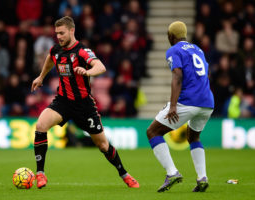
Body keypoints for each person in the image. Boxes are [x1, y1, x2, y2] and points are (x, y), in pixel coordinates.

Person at [31, 16, 139, 189]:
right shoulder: (56, 50)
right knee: (41, 125)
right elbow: (51, 59)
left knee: (103, 145)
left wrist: (87, 72)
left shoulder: (82, 51)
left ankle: (125, 174)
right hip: (63, 101)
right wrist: (41, 76)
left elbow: (100, 66)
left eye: (62, 33)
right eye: (56, 33)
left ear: (72, 30)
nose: (58, 36)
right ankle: (40, 174)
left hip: (84, 106)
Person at [146, 21, 214, 193]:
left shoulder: (174, 50)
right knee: (193, 137)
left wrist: (173, 105)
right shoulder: (198, 50)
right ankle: (202, 178)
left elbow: (177, 75)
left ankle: (172, 173)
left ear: (171, 36)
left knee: (153, 132)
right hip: (207, 102)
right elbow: (206, 74)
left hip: (188, 100)